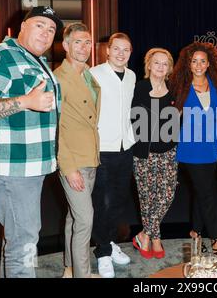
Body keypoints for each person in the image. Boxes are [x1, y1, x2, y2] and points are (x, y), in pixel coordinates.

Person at [0, 6, 63, 278]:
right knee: (24, 243)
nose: (46, 33)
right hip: (10, 169)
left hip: (30, 167)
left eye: (51, 29)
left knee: (20, 239)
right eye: (40, 25)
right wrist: (25, 102)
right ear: (22, 26)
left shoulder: (35, 61)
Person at [169, 42, 217, 259]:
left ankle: (195, 233)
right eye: (194, 61)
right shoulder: (180, 86)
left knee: (204, 192)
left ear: (209, 63)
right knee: (208, 194)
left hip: (211, 147)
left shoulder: (216, 85)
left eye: (203, 60)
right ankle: (216, 239)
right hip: (191, 148)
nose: (199, 65)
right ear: (188, 64)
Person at [54, 23, 101, 278]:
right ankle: (83, 274)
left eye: (87, 42)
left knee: (75, 218)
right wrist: (69, 168)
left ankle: (70, 268)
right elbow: (56, 129)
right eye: (78, 42)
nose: (84, 47)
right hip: (73, 161)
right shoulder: (59, 79)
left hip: (89, 156)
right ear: (66, 46)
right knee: (85, 220)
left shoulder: (87, 75)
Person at [89, 32, 135, 278]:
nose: (120, 53)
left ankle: (109, 242)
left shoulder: (132, 76)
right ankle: (103, 252)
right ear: (107, 50)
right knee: (102, 202)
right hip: (101, 148)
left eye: (125, 49)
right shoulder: (94, 74)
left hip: (125, 147)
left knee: (119, 201)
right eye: (116, 49)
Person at [131, 48, 179, 259]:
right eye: (156, 62)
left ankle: (144, 233)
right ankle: (155, 238)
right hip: (144, 152)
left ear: (169, 68)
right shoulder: (138, 88)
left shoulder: (174, 90)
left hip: (169, 151)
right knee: (148, 197)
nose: (160, 66)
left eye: (165, 63)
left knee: (167, 194)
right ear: (148, 65)